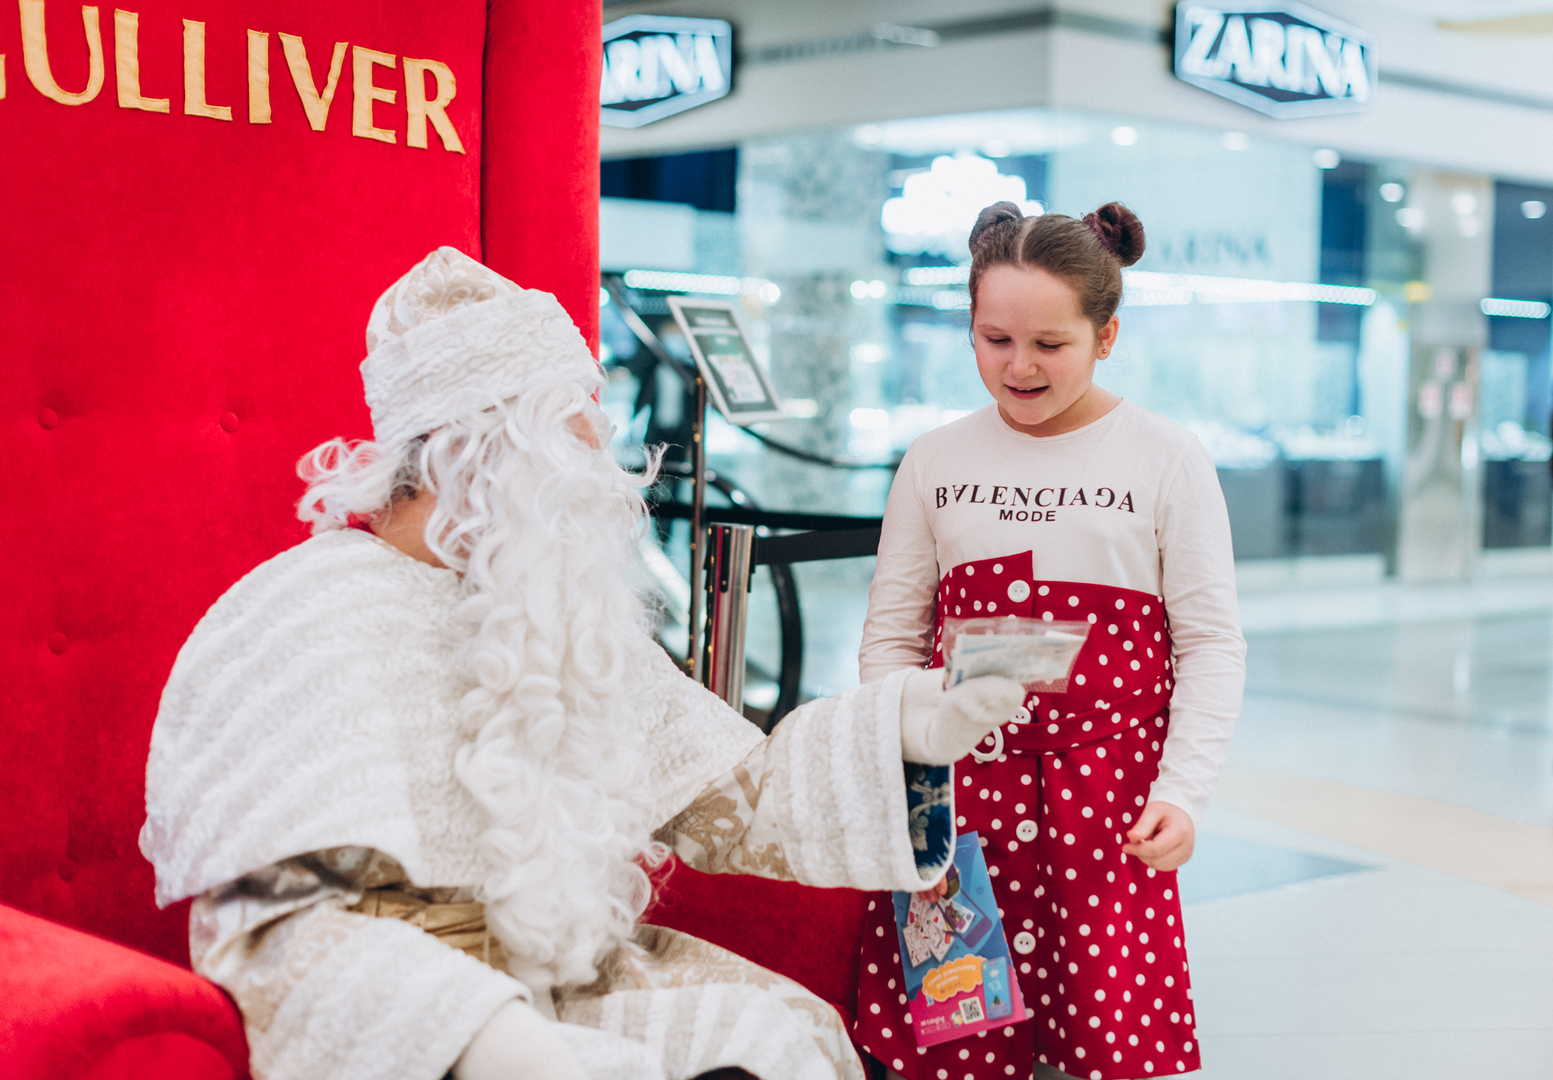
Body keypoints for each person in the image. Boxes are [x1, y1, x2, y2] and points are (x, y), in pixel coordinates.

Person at [139, 247, 1030, 1080]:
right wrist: (499, 1042)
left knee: (776, 1037)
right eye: (574, 445)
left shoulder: (548, 610)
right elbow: (277, 930)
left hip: (563, 977)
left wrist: (909, 725)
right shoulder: (301, 614)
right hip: (421, 1028)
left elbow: (736, 802)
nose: (605, 478)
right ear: (473, 457)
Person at [851, 203, 1246, 1080]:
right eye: (994, 340)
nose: (1018, 367)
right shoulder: (935, 459)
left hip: (1109, 808)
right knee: (958, 1038)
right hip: (959, 805)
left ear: (1106, 336)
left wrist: (1183, 792)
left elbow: (1211, 643)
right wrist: (902, 766)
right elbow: (892, 636)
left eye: (1049, 344)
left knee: (1105, 1046)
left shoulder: (1166, 457)